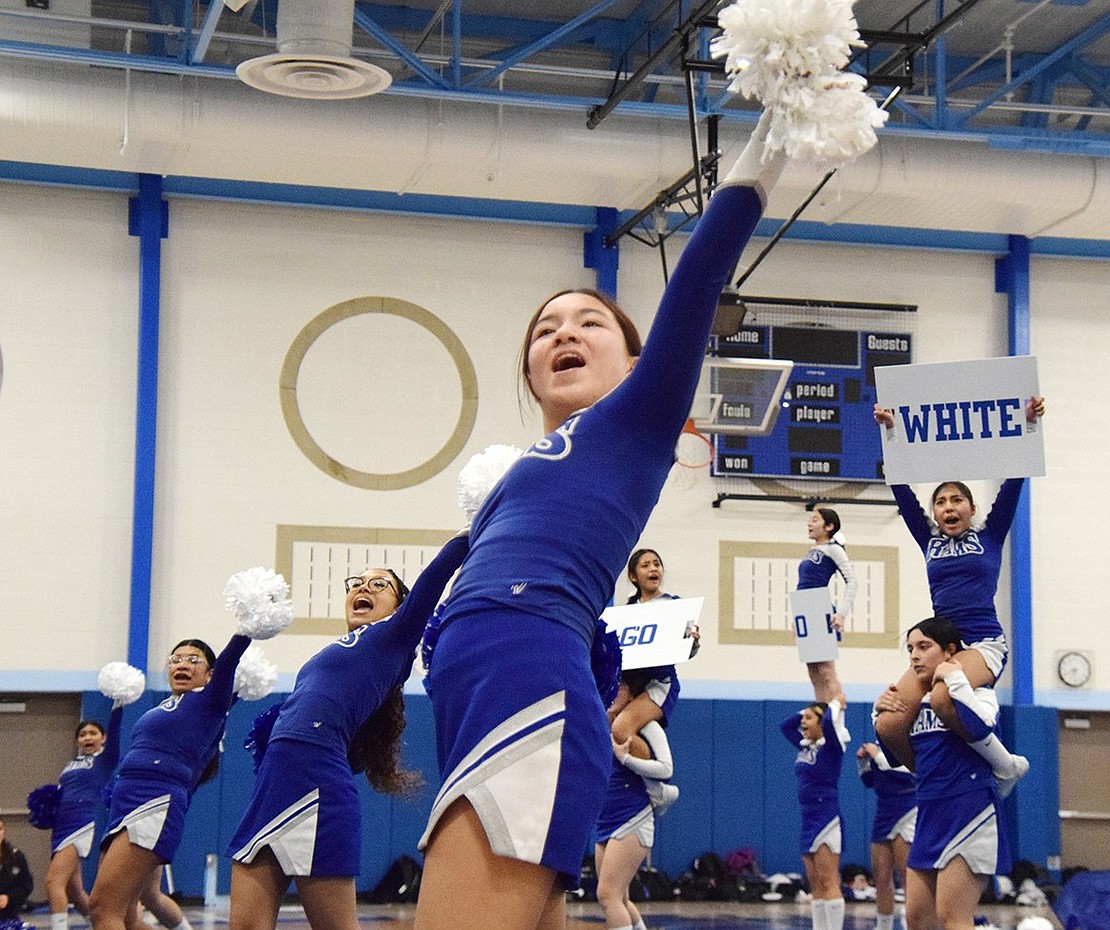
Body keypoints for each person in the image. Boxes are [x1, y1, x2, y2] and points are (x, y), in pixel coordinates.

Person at [412, 111, 786, 930]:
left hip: (522, 682)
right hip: (492, 689)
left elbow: (696, 279)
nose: (562, 333)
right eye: (545, 330)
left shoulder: (635, 419)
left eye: (588, 322)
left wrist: (759, 165)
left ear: (636, 361)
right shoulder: (527, 469)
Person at [227, 535, 469, 930]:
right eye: (357, 581)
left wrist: (475, 528)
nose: (362, 587)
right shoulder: (341, 648)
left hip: (317, 786)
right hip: (274, 784)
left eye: (379, 584)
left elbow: (435, 575)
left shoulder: (395, 637)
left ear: (401, 606)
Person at [872, 397, 1045, 792]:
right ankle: (932, 778)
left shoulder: (990, 535)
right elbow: (901, 489)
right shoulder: (927, 539)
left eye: (957, 500)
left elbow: (1014, 483)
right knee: (889, 722)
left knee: (944, 696)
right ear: (934, 513)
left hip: (982, 643)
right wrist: (889, 434)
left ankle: (1007, 766)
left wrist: (1028, 424)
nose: (948, 507)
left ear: (971, 508)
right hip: (942, 645)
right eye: (941, 502)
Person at [87, 635, 252, 930]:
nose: (182, 665)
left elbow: (228, 662)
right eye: (175, 659)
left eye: (193, 660)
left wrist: (245, 630)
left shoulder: (211, 702)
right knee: (125, 915)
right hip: (126, 801)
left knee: (101, 908)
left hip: (153, 802)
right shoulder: (168, 705)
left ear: (210, 674)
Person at [876, 617, 1011, 930]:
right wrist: (880, 714)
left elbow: (980, 728)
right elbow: (898, 760)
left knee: (953, 917)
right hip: (929, 812)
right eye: (910, 648)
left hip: (969, 809)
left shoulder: (981, 692)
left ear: (950, 651)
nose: (914, 655)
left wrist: (957, 681)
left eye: (924, 647)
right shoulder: (916, 704)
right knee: (917, 919)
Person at [610, 548, 692, 815]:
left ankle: (657, 790)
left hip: (659, 684)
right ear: (633, 576)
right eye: (645, 565)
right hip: (629, 685)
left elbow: (688, 648)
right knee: (606, 722)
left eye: (657, 564)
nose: (653, 569)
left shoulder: (672, 604)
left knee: (622, 729)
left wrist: (693, 642)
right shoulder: (627, 612)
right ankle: (644, 781)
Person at [595, 675, 675, 930]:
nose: (613, 690)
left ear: (632, 695)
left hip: (632, 816)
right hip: (604, 819)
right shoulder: (600, 723)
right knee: (621, 897)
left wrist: (626, 758)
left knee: (607, 896)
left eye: (620, 686)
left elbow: (666, 769)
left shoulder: (648, 727)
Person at [45, 712, 122, 930]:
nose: (87, 738)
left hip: (80, 823)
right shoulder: (71, 764)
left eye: (93, 733)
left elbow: (115, 731)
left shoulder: (104, 760)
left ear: (103, 738)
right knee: (74, 892)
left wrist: (118, 705)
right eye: (82, 734)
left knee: (53, 881)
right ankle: (101, 924)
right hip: (60, 825)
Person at [781, 696, 850, 930]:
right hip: (808, 818)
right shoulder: (804, 745)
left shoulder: (832, 747)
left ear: (821, 723)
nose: (803, 722)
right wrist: (808, 711)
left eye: (809, 719)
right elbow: (785, 726)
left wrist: (832, 705)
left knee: (829, 880)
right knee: (815, 883)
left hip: (826, 817)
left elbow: (830, 722)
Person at [797, 507, 857, 703]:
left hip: (818, 607)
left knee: (826, 671)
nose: (809, 523)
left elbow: (852, 582)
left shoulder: (834, 549)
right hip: (804, 607)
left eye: (815, 520)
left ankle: (837, 719)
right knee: (813, 672)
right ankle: (821, 719)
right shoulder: (814, 550)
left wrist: (841, 613)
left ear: (829, 526)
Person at [857, 742, 915, 930]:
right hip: (884, 811)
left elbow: (909, 773)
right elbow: (869, 781)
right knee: (880, 875)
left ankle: (911, 924)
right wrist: (863, 762)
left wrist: (877, 756)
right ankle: (884, 926)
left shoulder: (908, 742)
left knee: (909, 876)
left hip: (907, 807)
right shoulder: (877, 747)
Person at [0, 820, 33, 921]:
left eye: (0, 829)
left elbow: (26, 885)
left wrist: (9, 898)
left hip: (9, 916)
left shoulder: (16, 857)